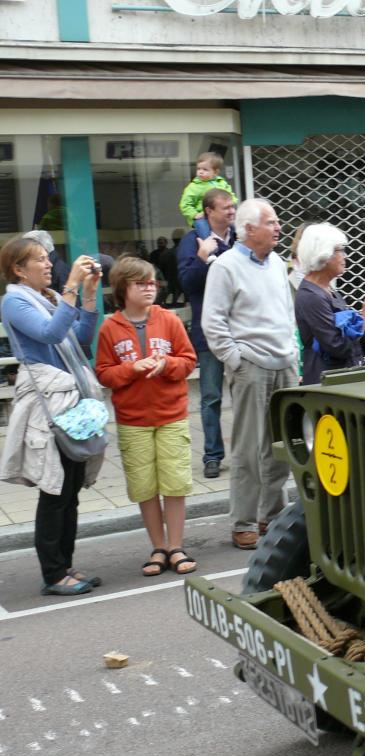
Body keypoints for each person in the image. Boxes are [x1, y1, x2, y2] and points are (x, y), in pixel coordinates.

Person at [0, 238, 104, 595]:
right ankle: (53, 573)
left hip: (69, 399)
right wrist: (71, 287)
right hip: (47, 402)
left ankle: (66, 566)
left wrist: (88, 295)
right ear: (18, 269)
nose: (48, 265)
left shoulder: (49, 298)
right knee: (55, 488)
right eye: (40, 260)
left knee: (72, 486)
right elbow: (50, 333)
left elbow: (80, 339)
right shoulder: (14, 300)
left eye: (49, 259)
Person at [202, 198, 298, 550]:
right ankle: (242, 521)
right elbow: (212, 322)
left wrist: (294, 354)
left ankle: (270, 516)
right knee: (247, 448)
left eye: (276, 222)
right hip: (251, 367)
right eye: (271, 223)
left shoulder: (276, 263)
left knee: (278, 446)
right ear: (248, 230)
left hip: (283, 364)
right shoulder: (225, 266)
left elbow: (287, 313)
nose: (278, 228)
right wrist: (235, 360)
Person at [94, 256, 198, 577]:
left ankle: (177, 546)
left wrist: (167, 365)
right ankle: (159, 547)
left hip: (171, 415)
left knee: (175, 483)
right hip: (132, 421)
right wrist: (130, 368)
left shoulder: (169, 320)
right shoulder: (109, 328)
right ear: (124, 288)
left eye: (152, 282)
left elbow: (189, 360)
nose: (150, 288)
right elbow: (103, 373)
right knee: (144, 487)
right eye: (142, 283)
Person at [293, 223, 365, 385]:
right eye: (340, 250)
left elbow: (346, 332)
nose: (345, 256)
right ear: (324, 254)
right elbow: (338, 345)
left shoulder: (326, 288)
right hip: (328, 384)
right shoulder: (311, 296)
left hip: (343, 377)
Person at [177, 187, 236, 480]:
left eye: (232, 206)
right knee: (211, 396)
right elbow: (187, 283)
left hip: (241, 330)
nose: (231, 211)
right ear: (209, 211)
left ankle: (247, 451)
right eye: (225, 207)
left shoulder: (240, 238)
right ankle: (212, 455)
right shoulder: (192, 241)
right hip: (210, 331)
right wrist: (202, 257)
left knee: (245, 394)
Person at [180, 152, 238, 239]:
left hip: (221, 215)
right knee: (204, 231)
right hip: (203, 218)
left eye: (205, 169)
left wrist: (231, 203)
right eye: (198, 169)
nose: (200, 172)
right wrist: (195, 214)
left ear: (215, 172)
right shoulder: (194, 187)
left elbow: (231, 196)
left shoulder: (222, 183)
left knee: (235, 226)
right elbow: (184, 204)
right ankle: (209, 247)